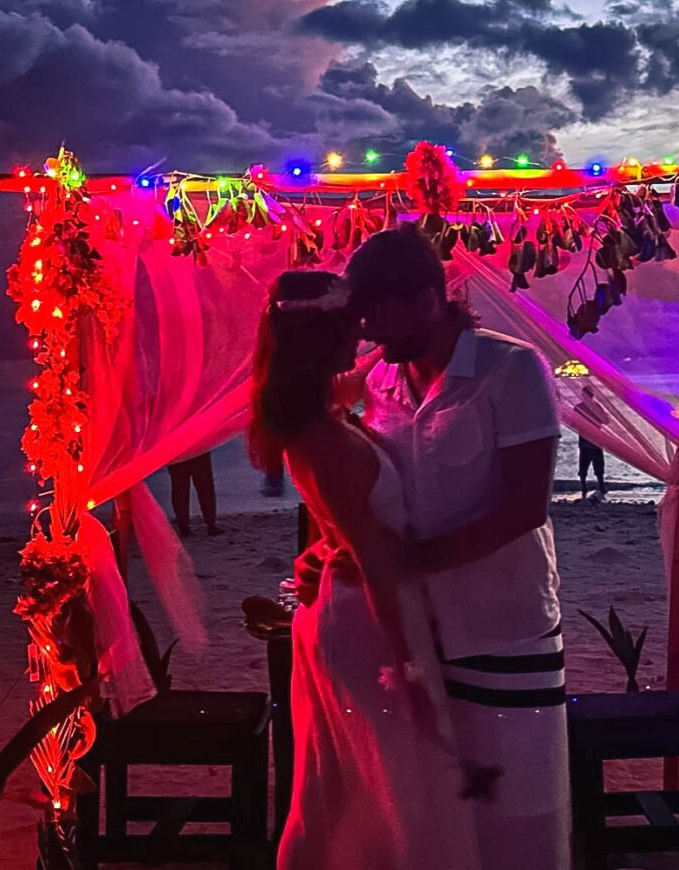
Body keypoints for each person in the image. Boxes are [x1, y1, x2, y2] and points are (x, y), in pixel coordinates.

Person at [297, 223, 570, 869]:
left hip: (504, 632)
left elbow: (524, 506)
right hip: (417, 641)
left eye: (377, 314)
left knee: (521, 816)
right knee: (441, 820)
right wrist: (330, 550)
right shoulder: (377, 384)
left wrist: (406, 563)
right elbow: (365, 492)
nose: (368, 332)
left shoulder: (512, 369)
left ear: (427, 297)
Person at [247, 270, 481, 870]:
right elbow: (375, 562)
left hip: (354, 607)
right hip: (364, 623)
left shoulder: (320, 410)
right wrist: (408, 665)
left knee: (371, 788)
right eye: (352, 321)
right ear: (323, 335)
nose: (363, 330)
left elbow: (367, 368)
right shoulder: (321, 436)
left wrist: (436, 316)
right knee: (378, 793)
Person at [167, 451, 221, 536]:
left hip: (177, 453)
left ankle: (183, 525)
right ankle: (211, 524)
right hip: (198, 451)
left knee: (180, 490)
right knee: (205, 488)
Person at [578, 435, 607, 500]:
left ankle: (584, 488)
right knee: (597, 468)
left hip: (588, 445)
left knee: (584, 468)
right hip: (593, 445)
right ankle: (601, 487)